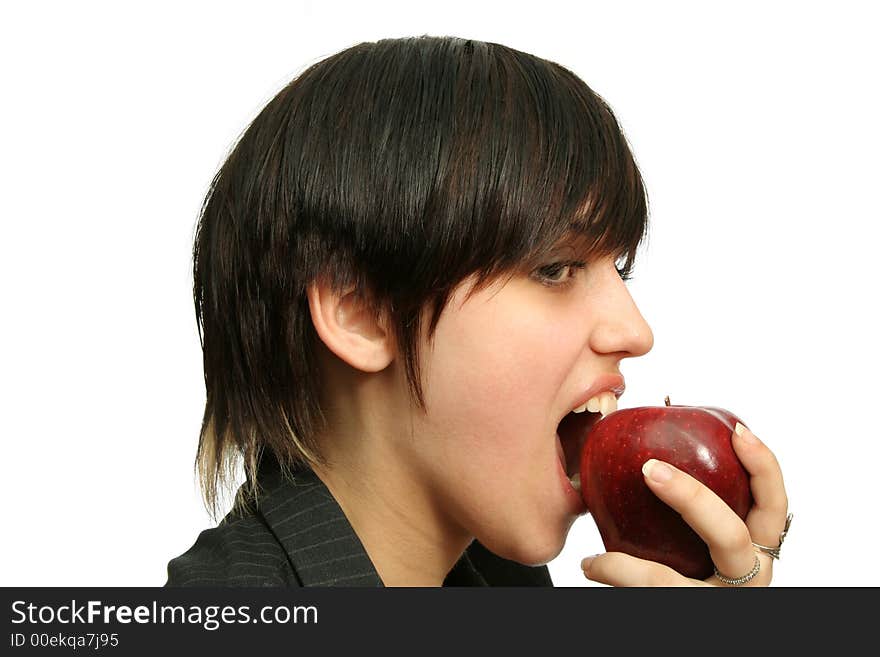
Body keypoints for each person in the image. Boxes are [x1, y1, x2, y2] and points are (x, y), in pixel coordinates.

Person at [165, 35, 789, 587]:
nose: (636, 332)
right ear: (360, 313)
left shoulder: (499, 580)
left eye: (617, 270)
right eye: (555, 269)